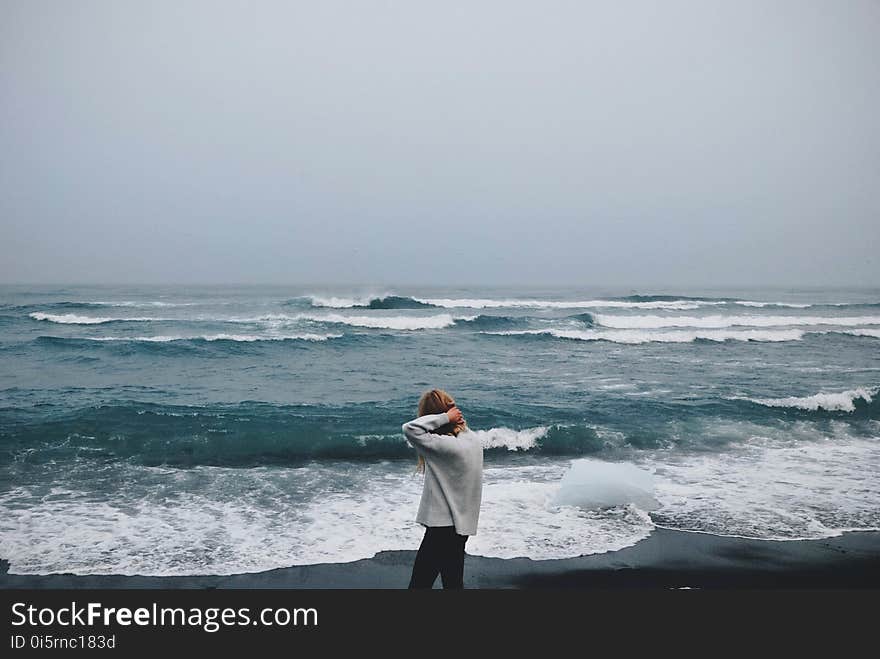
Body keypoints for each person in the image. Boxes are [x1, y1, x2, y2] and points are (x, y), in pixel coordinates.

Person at [401, 388, 483, 589]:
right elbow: (461, 429)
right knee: (453, 583)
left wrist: (444, 417)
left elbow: (410, 428)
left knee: (419, 585)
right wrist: (451, 417)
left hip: (441, 528)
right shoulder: (472, 441)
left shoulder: (445, 447)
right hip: (460, 528)